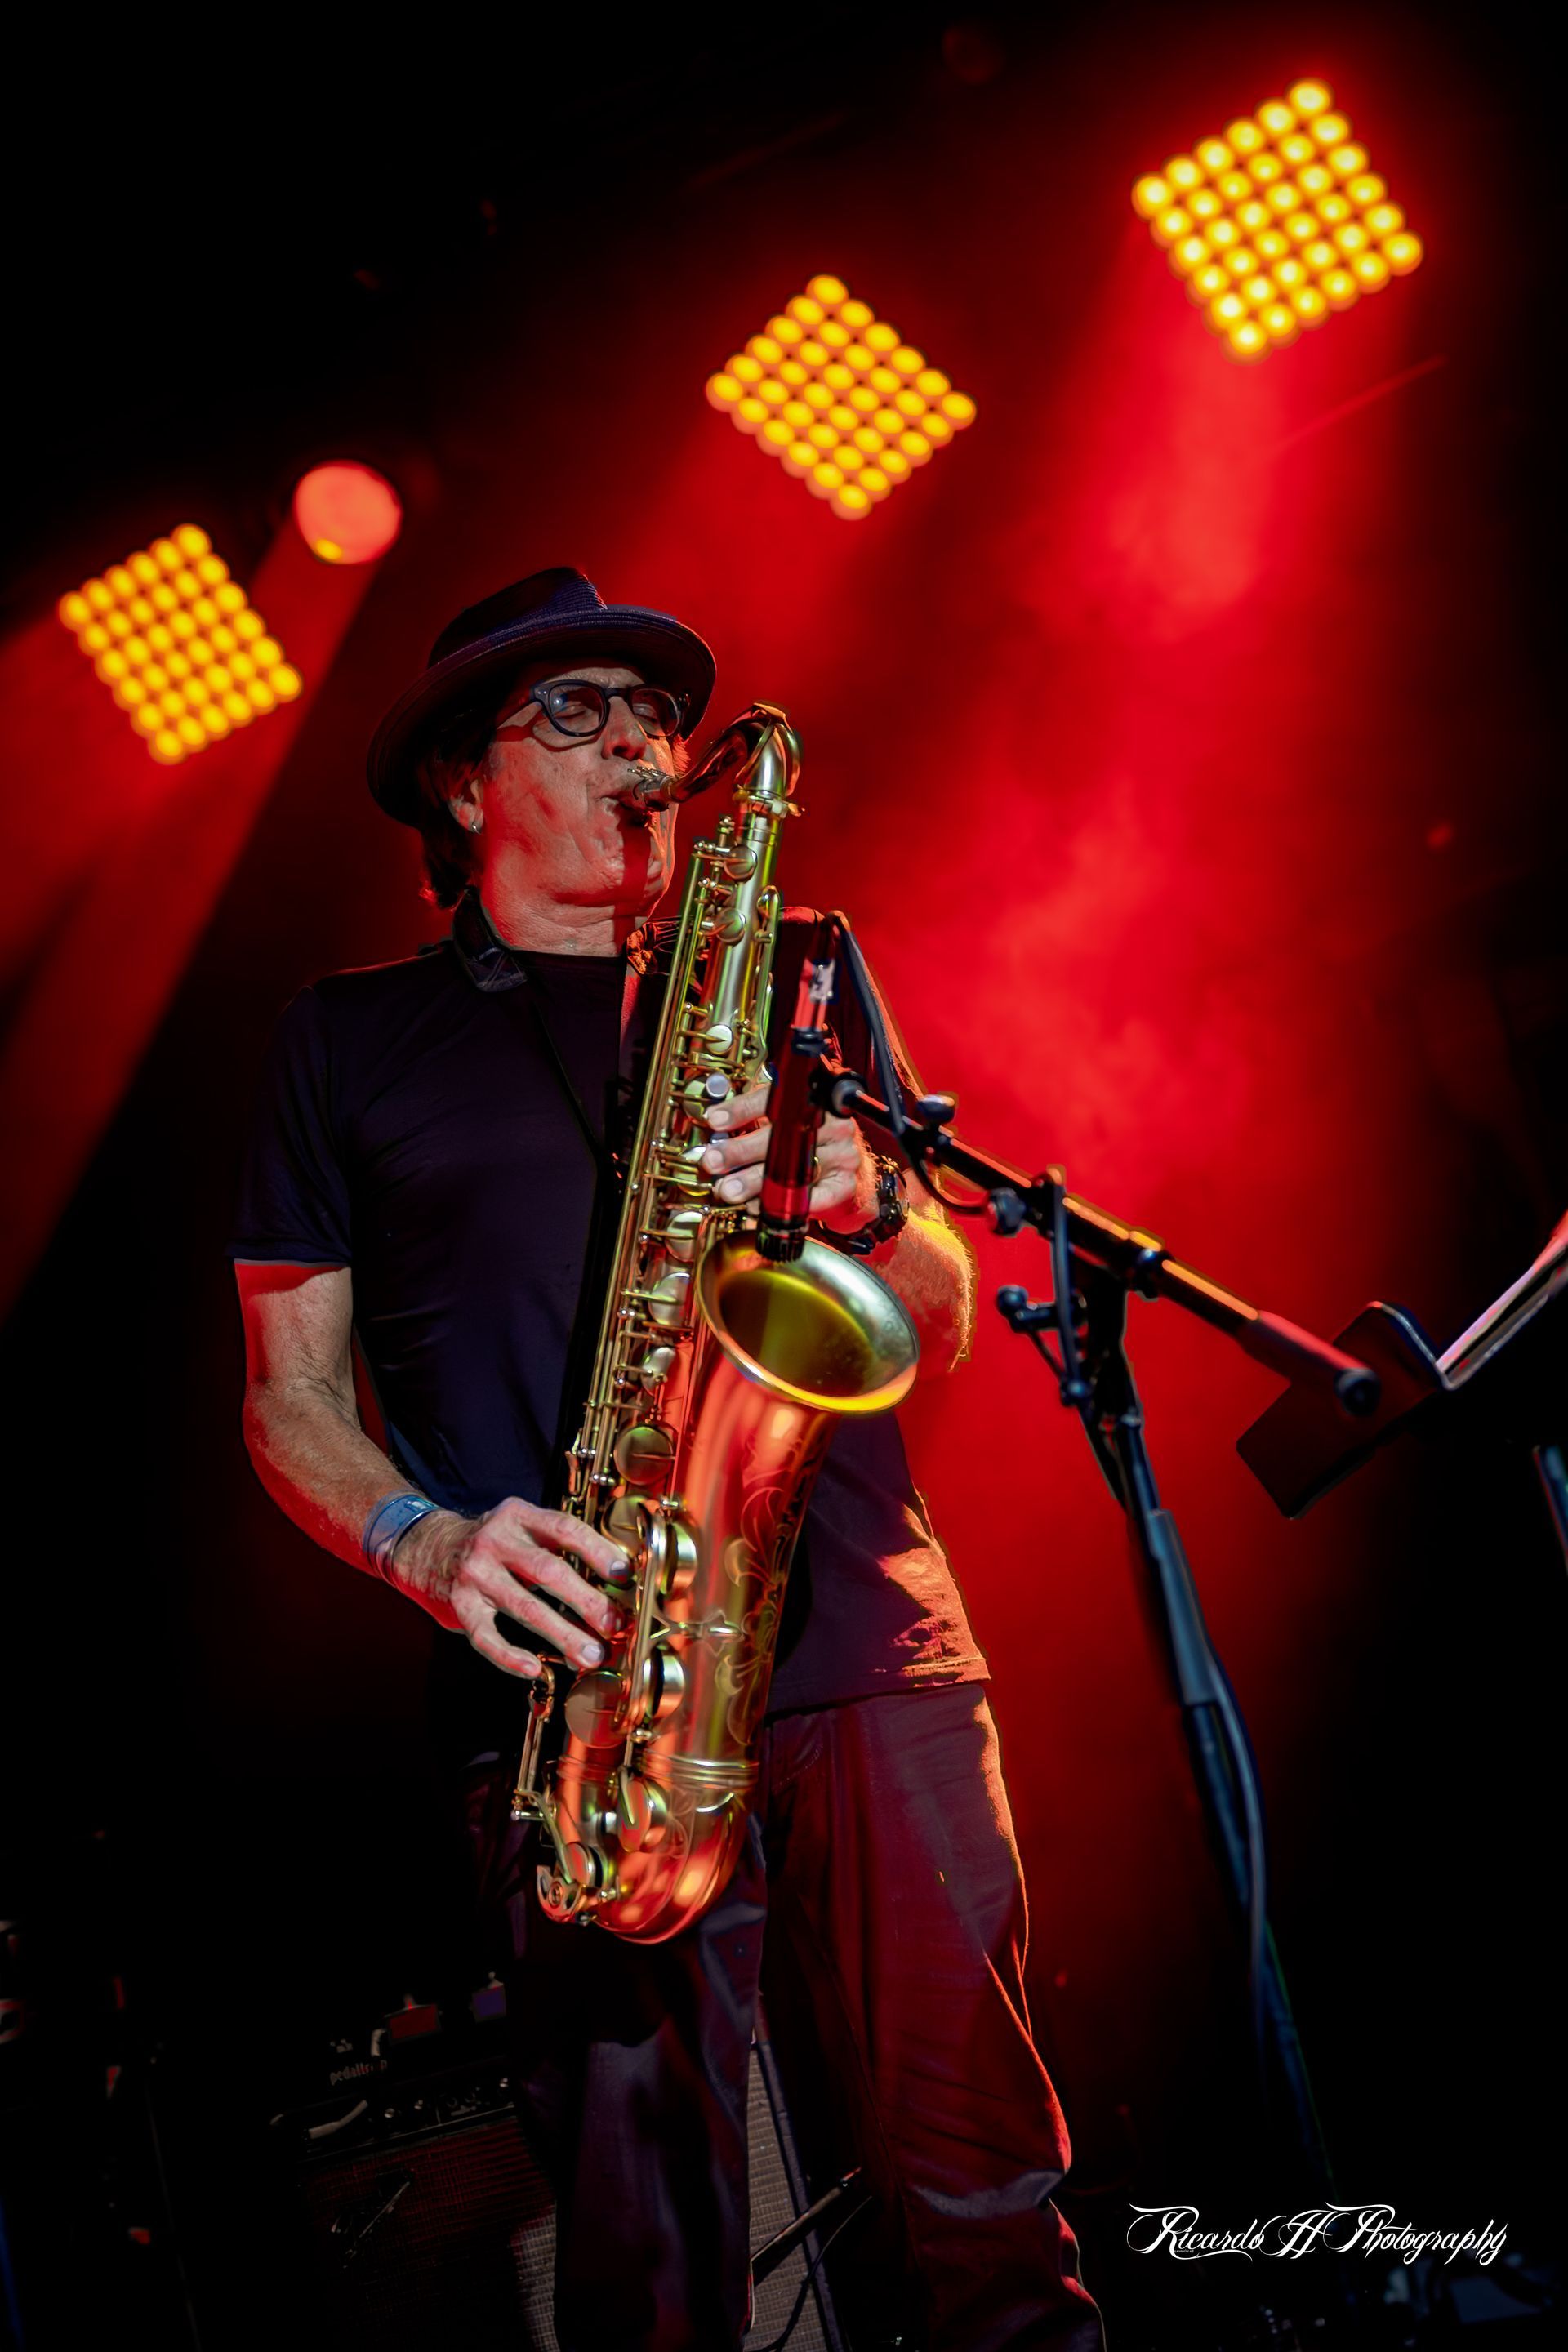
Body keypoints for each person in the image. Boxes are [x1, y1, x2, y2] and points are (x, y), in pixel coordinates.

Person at [232, 566, 1102, 2352]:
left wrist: (870, 1213)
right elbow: (285, 1398)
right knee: (658, 2272)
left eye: (654, 710)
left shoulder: (795, 970)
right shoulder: (343, 1041)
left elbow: (937, 1292)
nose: (640, 738)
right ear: (460, 787)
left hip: (866, 1641)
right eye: (575, 712)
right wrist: (423, 1542)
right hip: (575, 1704)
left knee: (991, 2207)